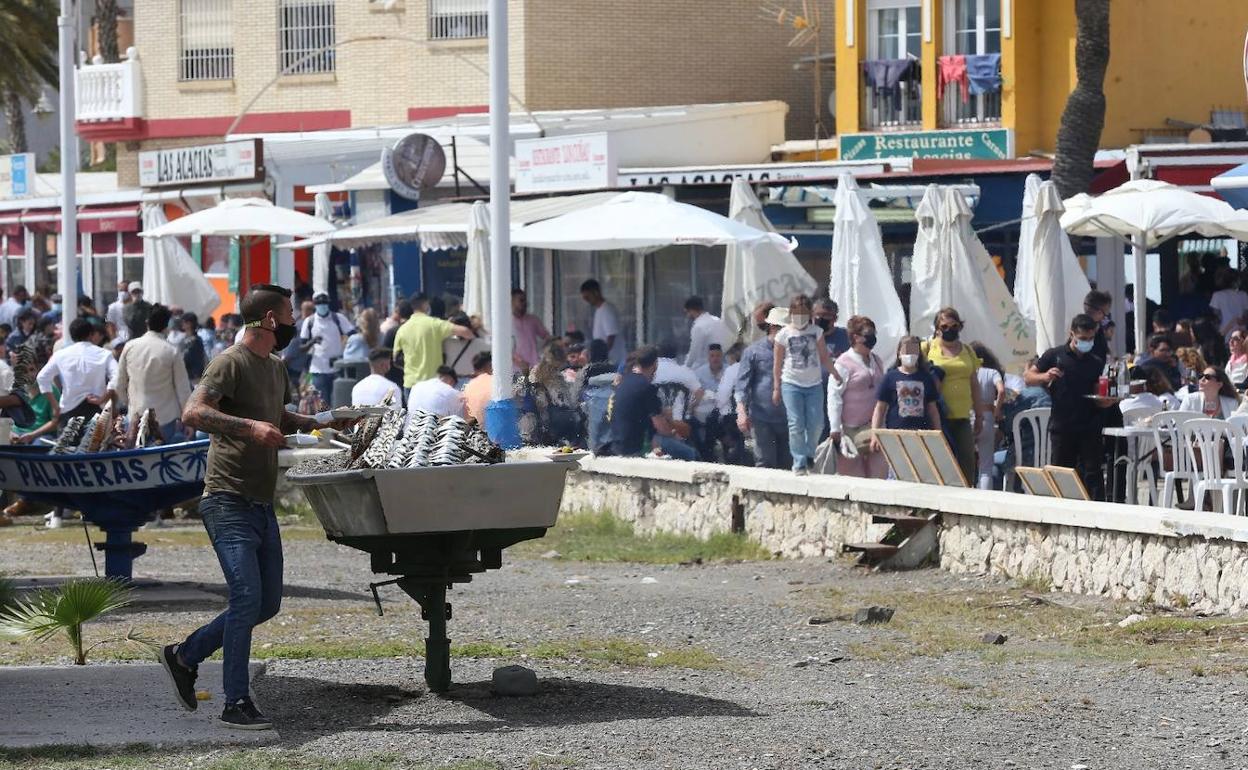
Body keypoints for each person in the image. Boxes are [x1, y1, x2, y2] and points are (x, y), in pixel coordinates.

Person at [159, 283, 344, 731]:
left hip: (260, 501)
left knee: (266, 604)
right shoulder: (229, 362)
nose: (295, 324)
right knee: (246, 597)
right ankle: (235, 702)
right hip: (226, 499)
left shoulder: (275, 367)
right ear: (268, 321)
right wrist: (248, 428)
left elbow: (278, 419)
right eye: (289, 316)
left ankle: (185, 655)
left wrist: (326, 421)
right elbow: (193, 413)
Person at [1025, 314, 1113, 501]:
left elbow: (1098, 393)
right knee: (1061, 472)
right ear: (1072, 334)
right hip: (1063, 424)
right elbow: (1029, 377)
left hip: (1089, 424)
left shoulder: (1096, 362)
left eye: (1090, 339)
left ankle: (1097, 510)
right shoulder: (1054, 355)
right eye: (1082, 339)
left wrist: (1107, 400)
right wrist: (1045, 377)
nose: (1087, 342)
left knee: (1093, 473)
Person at [771, 295, 836, 474]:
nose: (800, 317)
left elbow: (824, 356)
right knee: (796, 423)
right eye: (797, 313)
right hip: (791, 383)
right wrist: (776, 388)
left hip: (813, 384)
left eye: (804, 313)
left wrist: (835, 373)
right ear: (791, 313)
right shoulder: (783, 334)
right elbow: (777, 364)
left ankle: (809, 453)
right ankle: (799, 461)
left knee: (816, 424)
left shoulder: (817, 332)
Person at [113, 304, 193, 443]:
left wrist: (129, 402)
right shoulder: (172, 351)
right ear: (166, 326)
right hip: (165, 418)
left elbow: (119, 384)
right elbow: (183, 390)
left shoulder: (130, 346)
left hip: (135, 416)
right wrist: (189, 421)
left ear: (146, 323)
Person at [923, 307, 983, 485]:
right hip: (938, 416)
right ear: (937, 328)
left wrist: (979, 415)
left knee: (967, 461)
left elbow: (974, 383)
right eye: (945, 326)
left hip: (962, 416)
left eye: (954, 325)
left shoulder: (968, 350)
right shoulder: (927, 348)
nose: (950, 329)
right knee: (941, 463)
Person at [608, 346, 696, 460]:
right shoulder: (646, 387)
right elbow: (662, 428)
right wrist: (673, 433)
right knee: (690, 453)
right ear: (655, 364)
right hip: (633, 446)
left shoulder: (625, 381)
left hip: (617, 444)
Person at [827, 315, 886, 479]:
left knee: (879, 476)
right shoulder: (842, 364)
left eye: (874, 333)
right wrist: (835, 428)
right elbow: (834, 397)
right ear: (855, 337)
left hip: (874, 428)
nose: (872, 338)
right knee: (853, 479)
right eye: (868, 334)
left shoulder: (878, 360)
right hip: (849, 431)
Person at [735, 303, 791, 470]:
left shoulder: (795, 351)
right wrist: (741, 412)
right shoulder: (754, 352)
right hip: (762, 418)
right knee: (765, 464)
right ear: (772, 327)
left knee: (788, 465)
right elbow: (742, 385)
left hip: (789, 418)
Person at [36, 317, 117, 428]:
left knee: (67, 445)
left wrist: (55, 406)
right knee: (96, 444)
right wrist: (104, 398)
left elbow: (42, 377)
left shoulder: (61, 355)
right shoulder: (104, 354)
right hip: (97, 409)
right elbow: (117, 376)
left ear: (71, 335)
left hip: (69, 410)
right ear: (91, 334)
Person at [870, 336, 943, 451]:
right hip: (896, 434)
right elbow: (880, 408)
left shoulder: (926, 378)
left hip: (921, 434)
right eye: (906, 350)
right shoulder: (890, 377)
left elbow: (932, 409)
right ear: (899, 353)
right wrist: (875, 434)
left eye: (914, 350)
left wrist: (938, 433)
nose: (910, 354)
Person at [393, 295, 474, 390]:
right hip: (433, 383)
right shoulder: (435, 324)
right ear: (426, 305)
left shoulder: (402, 329)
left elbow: (396, 359)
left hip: (411, 383)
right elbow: (466, 332)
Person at [299, 292, 356, 402]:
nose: (322, 305)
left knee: (338, 402)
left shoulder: (338, 318)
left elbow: (353, 334)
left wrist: (346, 349)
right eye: (319, 303)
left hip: (337, 368)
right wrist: (313, 341)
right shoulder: (309, 321)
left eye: (325, 303)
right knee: (321, 405)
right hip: (318, 370)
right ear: (315, 305)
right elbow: (302, 347)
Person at [969, 342, 1006, 490]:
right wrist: (997, 410)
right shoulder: (992, 373)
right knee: (986, 466)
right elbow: (1002, 391)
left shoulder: (967, 372)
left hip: (969, 415)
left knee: (966, 462)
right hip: (988, 416)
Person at [580, 279, 625, 365]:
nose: (587, 301)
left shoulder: (607, 309)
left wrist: (601, 356)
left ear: (596, 292)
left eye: (588, 297)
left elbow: (611, 337)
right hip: (605, 360)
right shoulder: (599, 309)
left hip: (613, 360)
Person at [683, 296, 733, 370]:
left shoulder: (698, 327)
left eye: (687, 312)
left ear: (692, 310)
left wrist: (685, 368)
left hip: (705, 368)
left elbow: (694, 353)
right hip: (724, 365)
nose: (687, 316)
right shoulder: (717, 320)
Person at [442, 313, 490, 383]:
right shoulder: (481, 343)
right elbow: (488, 341)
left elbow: (443, 332)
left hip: (453, 382)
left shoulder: (447, 342)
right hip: (473, 381)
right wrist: (479, 328)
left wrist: (448, 323)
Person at [511, 289, 550, 371]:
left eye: (525, 300)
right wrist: (519, 361)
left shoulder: (533, 320)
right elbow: (504, 348)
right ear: (512, 301)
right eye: (521, 300)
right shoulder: (506, 323)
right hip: (515, 369)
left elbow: (546, 336)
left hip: (534, 367)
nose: (525, 303)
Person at [381, 300, 413, 388]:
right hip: (414, 375)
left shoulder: (392, 332)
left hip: (393, 375)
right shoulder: (418, 332)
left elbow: (383, 353)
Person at [1210, 268, 1248, 336]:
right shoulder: (1243, 295)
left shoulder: (1217, 295)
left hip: (1223, 333)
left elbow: (1215, 316)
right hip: (1241, 334)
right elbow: (1245, 316)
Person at [462, 351, 494, 425]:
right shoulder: (497, 382)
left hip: (474, 427)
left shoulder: (468, 386)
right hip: (495, 426)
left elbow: (467, 414)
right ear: (489, 366)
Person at [1083, 290, 1114, 357]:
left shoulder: (1099, 329)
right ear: (1099, 312)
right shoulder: (1082, 333)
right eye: (1105, 313)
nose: (1105, 318)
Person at [178, 313, 208, 382]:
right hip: (191, 375)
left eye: (183, 322)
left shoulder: (193, 341)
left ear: (189, 324)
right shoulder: (193, 339)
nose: (182, 324)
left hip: (193, 377)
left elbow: (185, 357)